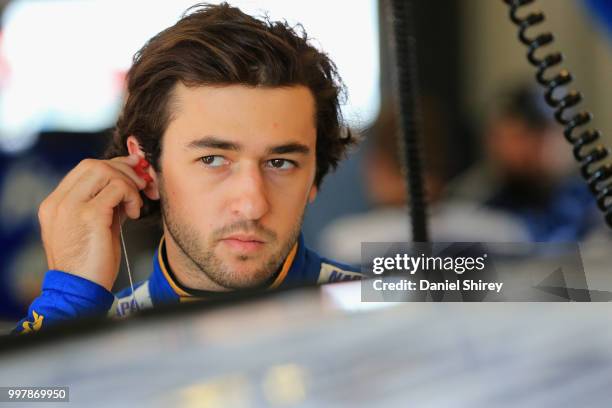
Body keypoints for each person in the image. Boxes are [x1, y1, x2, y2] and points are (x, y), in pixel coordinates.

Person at [14, 2, 361, 334]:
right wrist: (67, 299)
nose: (253, 204)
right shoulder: (86, 331)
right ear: (147, 167)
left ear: (313, 176)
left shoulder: (388, 312)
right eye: (212, 159)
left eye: (280, 163)